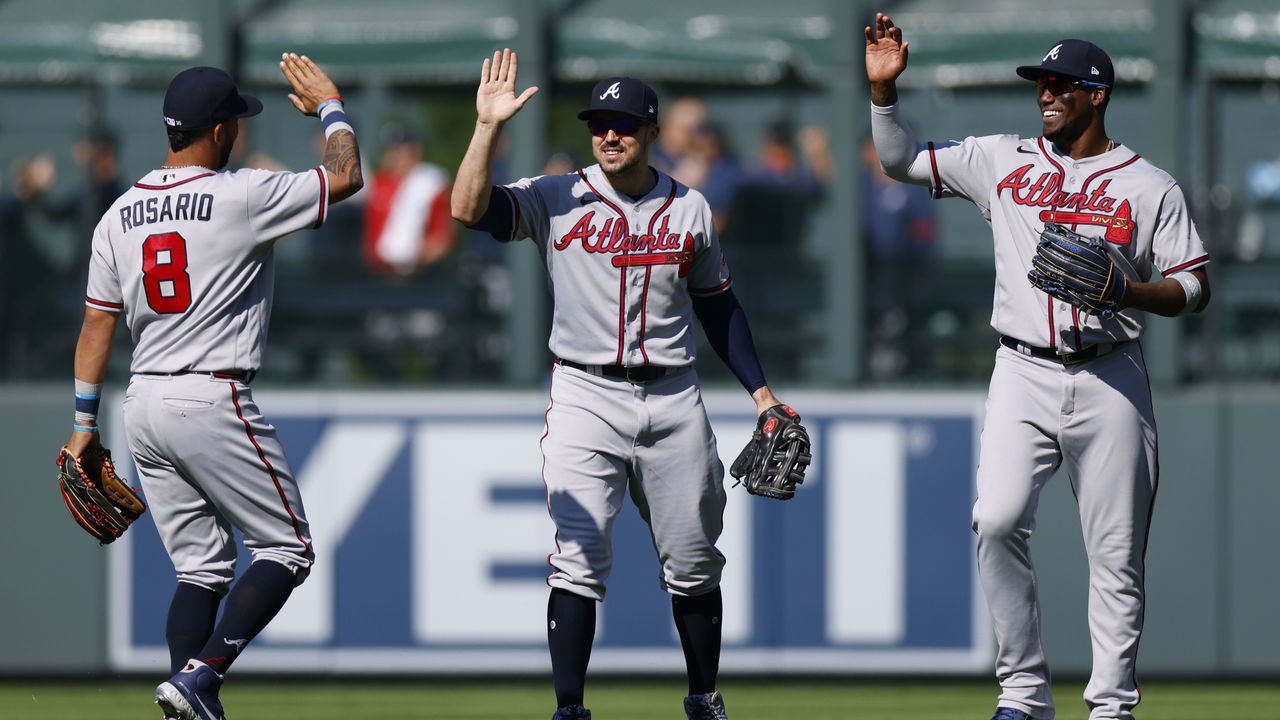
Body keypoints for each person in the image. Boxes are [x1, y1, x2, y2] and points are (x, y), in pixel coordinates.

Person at [866, 14, 1211, 720]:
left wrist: (1129, 291)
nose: (1045, 94)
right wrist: (883, 96)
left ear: (1097, 95)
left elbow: (1196, 286)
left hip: (1110, 371)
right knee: (994, 522)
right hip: (1021, 369)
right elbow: (899, 160)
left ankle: (1111, 707)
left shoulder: (1150, 185)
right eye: (1041, 84)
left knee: (1114, 558)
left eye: (1060, 85)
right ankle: (1023, 694)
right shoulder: (1002, 158)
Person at [451, 49, 794, 720]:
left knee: (695, 562)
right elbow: (468, 210)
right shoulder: (557, 195)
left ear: (651, 132)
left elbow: (718, 305)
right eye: (600, 123)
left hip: (672, 397)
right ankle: (570, 708)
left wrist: (761, 392)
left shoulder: (689, 208)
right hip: (585, 394)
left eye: (625, 124)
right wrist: (487, 127)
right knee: (578, 559)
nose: (610, 134)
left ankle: (702, 698)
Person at [62, 55, 362, 720]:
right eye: (236, 123)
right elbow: (346, 175)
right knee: (287, 547)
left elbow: (94, 328)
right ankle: (202, 677)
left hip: (141, 401)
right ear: (221, 133)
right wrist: (332, 107)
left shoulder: (119, 215)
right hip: (210, 393)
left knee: (201, 571)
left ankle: (182, 698)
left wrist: (85, 425)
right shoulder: (242, 194)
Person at [859, 133, 936, 379]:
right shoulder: (859, 187)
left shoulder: (913, 187)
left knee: (901, 334)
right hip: (866, 282)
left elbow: (925, 233)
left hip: (904, 280)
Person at [362, 122, 458, 278]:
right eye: (391, 149)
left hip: (418, 274)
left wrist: (417, 257)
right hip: (377, 274)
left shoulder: (431, 181)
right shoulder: (378, 182)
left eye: (401, 150)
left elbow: (443, 237)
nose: (395, 155)